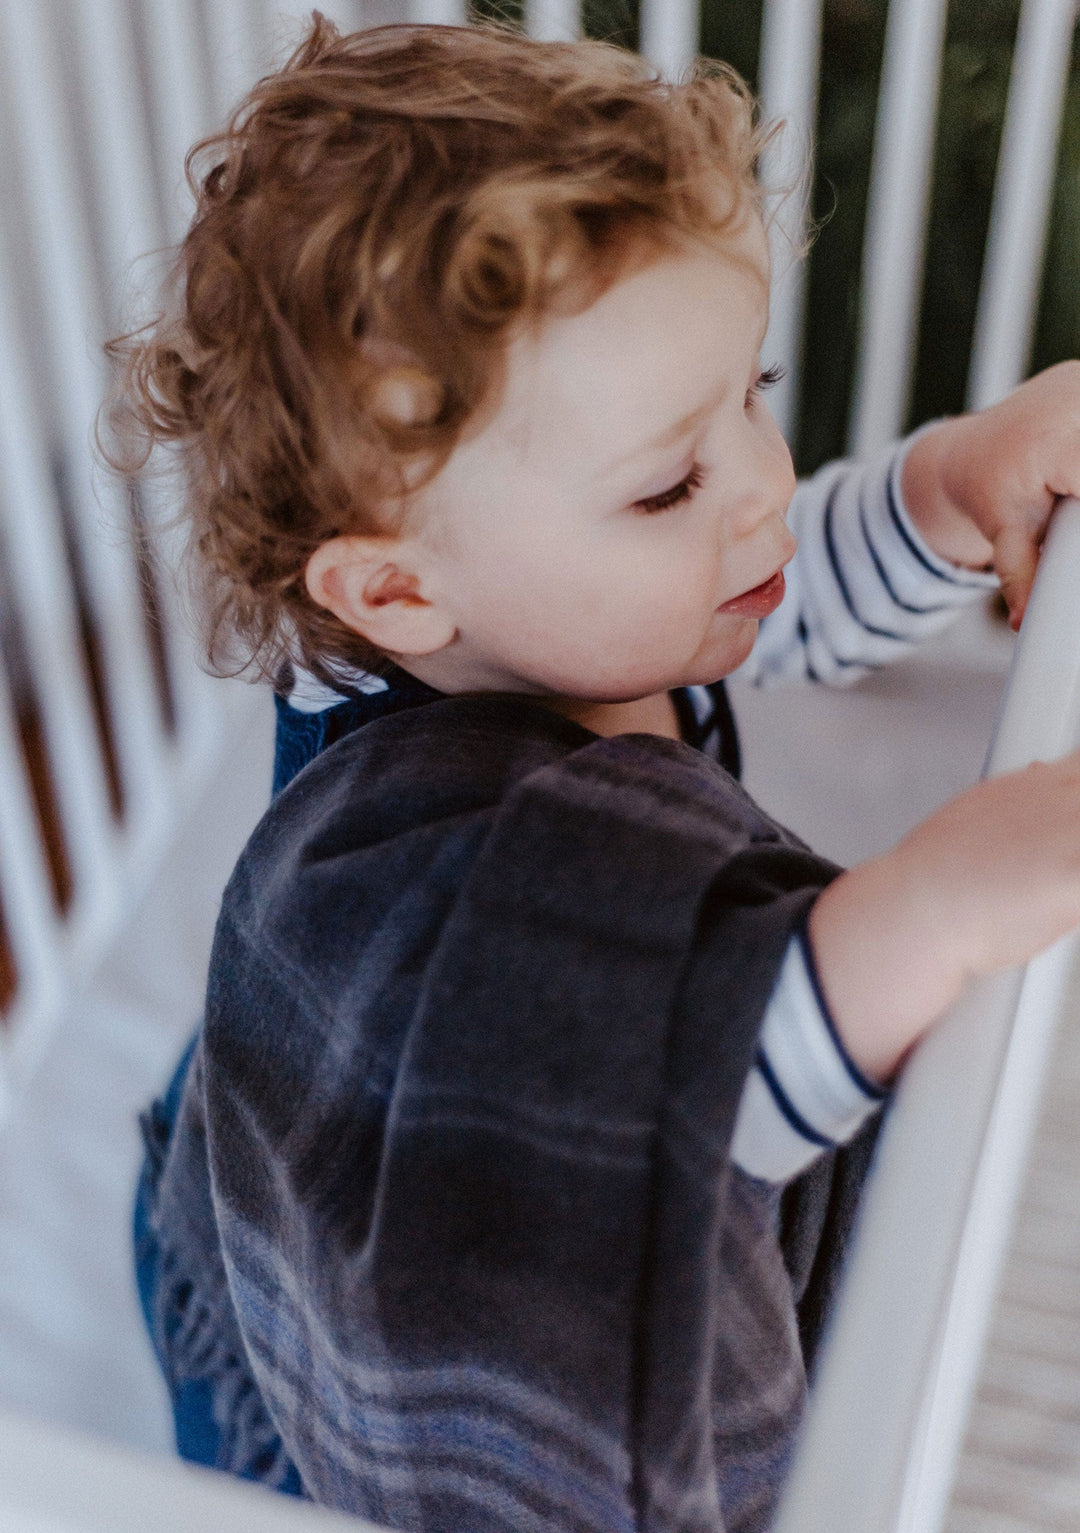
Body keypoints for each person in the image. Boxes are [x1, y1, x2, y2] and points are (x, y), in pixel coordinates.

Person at [108, 17, 1080, 1533]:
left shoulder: (539, 609)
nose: (763, 483)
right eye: (670, 479)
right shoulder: (424, 866)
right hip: (320, 1266)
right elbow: (685, 1066)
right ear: (394, 592)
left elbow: (768, 589)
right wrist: (940, 900)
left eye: (749, 392)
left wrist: (943, 488)